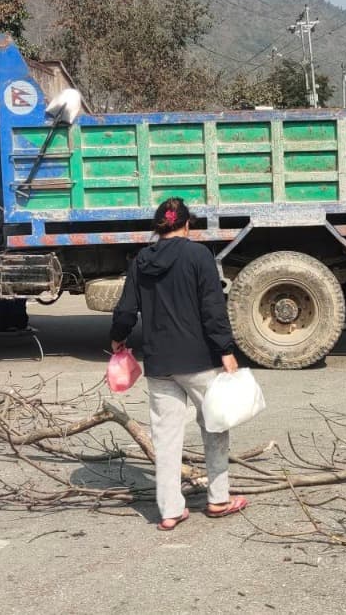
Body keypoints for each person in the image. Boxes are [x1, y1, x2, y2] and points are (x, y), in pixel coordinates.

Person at [109, 198, 247, 531]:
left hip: (160, 363)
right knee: (214, 426)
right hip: (199, 360)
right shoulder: (199, 256)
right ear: (187, 226)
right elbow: (213, 309)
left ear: (159, 227)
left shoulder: (141, 260)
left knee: (166, 438)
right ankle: (218, 499)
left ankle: (170, 510)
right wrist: (226, 350)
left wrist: (118, 338)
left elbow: (126, 308)